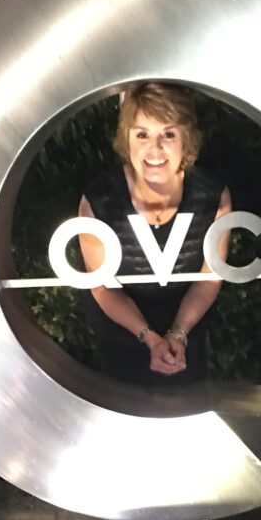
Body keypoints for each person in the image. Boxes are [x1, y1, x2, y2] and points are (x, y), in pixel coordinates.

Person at [78, 82, 231, 386]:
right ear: (127, 139)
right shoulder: (99, 199)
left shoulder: (213, 196)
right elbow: (103, 288)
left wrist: (177, 335)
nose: (155, 148)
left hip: (186, 331)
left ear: (187, 139)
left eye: (168, 134)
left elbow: (209, 278)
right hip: (121, 334)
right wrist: (150, 339)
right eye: (142, 134)